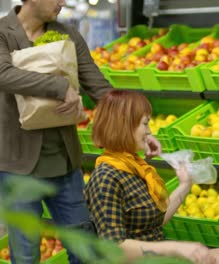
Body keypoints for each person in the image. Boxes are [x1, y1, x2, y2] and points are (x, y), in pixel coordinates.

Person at [0, 1, 162, 263]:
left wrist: (139, 128)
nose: (63, 2)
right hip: (17, 168)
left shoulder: (68, 35)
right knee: (25, 254)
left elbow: (98, 86)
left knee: (86, 249)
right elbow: (3, 73)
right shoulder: (2, 32)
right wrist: (60, 87)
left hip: (64, 164)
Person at [85, 90, 219, 264]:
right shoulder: (106, 178)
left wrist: (185, 184)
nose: (149, 131)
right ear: (125, 126)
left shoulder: (134, 167)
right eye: (145, 124)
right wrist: (174, 248)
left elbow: (154, 223)